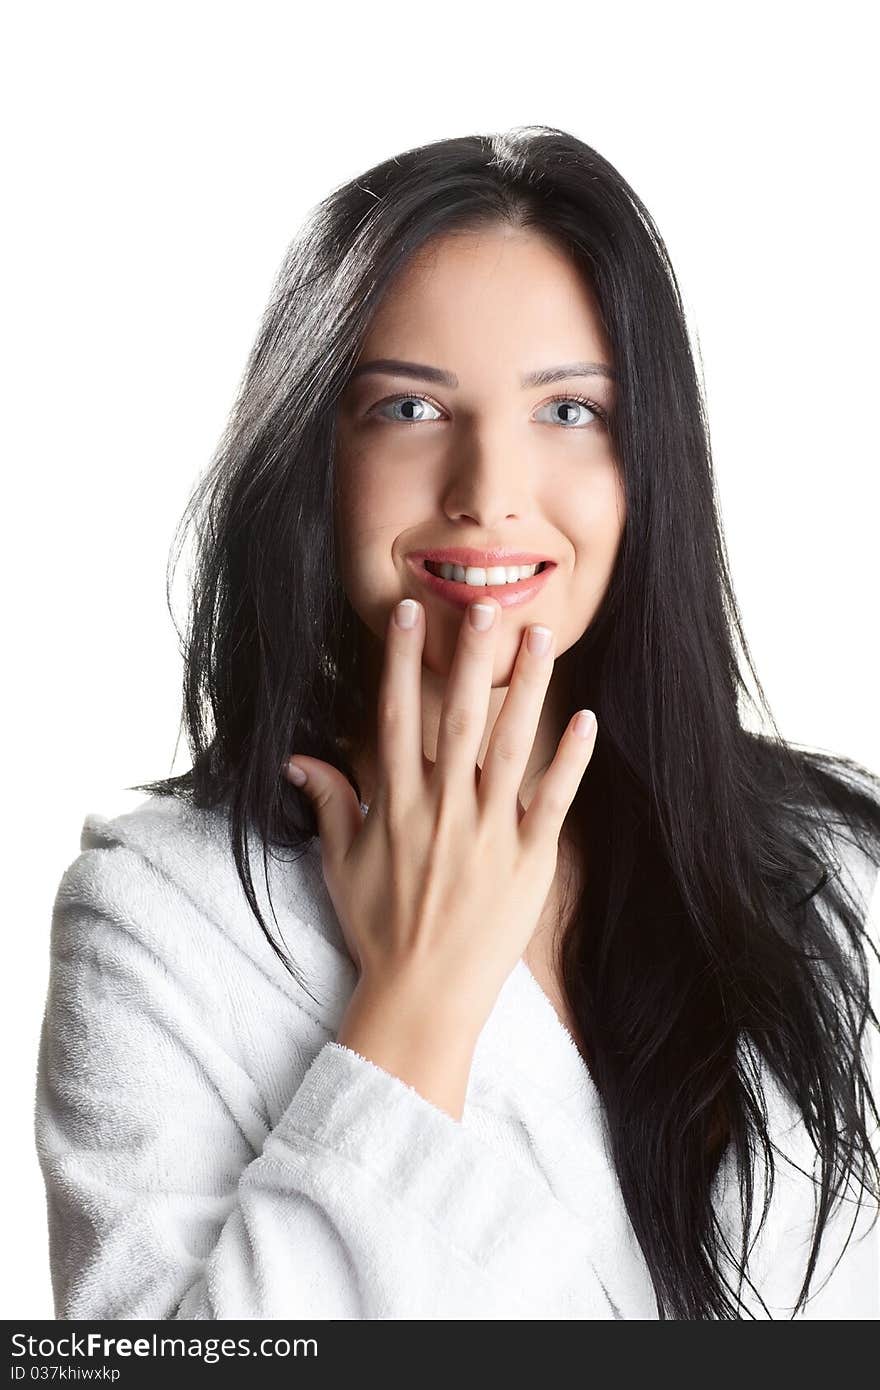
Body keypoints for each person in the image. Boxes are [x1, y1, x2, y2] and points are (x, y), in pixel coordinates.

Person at [34, 126, 880, 1320]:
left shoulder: (838, 866)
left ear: (652, 464)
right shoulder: (158, 915)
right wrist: (415, 1004)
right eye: (412, 407)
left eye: (570, 411)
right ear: (314, 458)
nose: (488, 488)